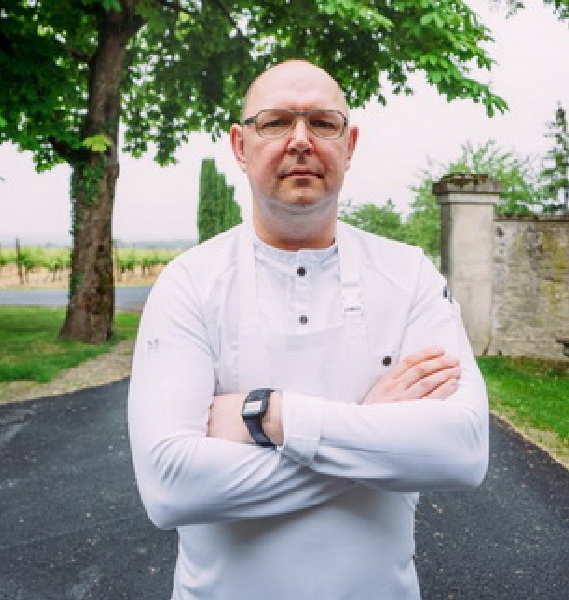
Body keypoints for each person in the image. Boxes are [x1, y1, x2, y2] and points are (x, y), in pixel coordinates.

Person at [128, 59, 489, 600]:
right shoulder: (190, 283)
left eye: (323, 122)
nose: (300, 140)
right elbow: (170, 487)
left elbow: (461, 452)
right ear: (240, 145)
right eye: (275, 122)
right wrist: (375, 430)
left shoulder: (409, 275)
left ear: (350, 144)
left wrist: (272, 416)